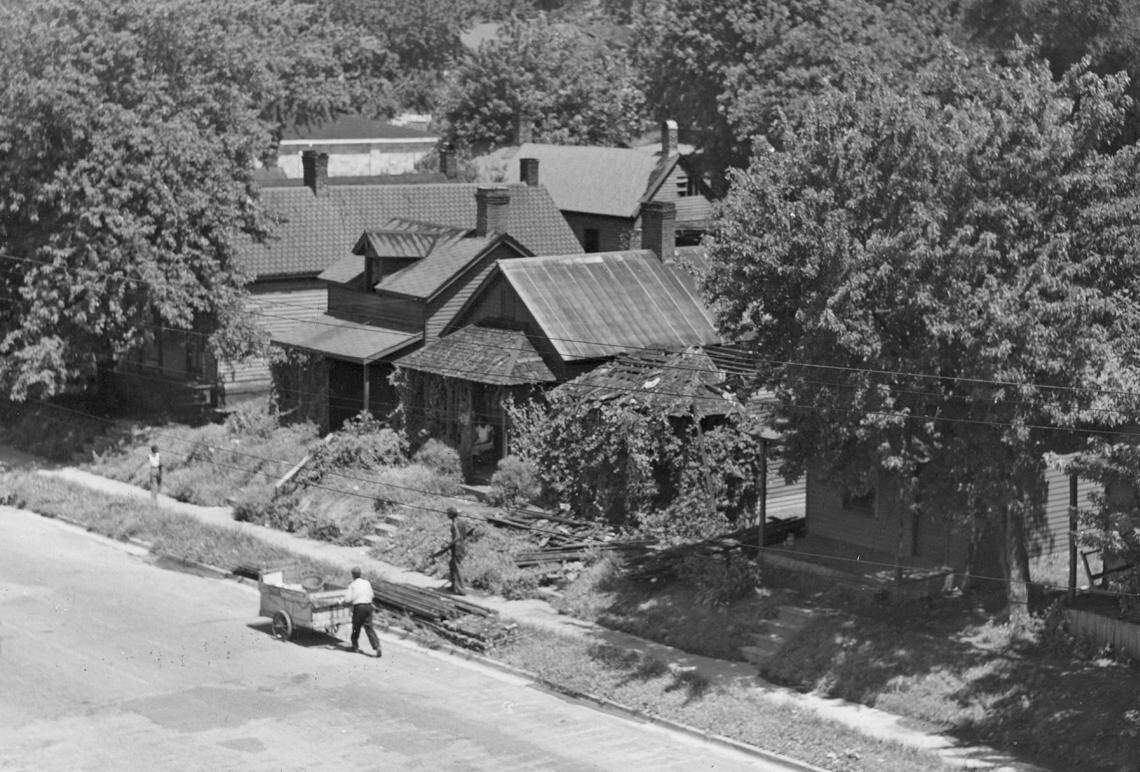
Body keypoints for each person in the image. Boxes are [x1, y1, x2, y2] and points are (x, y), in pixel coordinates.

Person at [344, 567, 382, 658]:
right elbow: (372, 595)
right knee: (369, 627)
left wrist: (343, 601)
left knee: (356, 627)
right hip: (368, 606)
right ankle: (377, 647)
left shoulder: (352, 585)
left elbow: (348, 599)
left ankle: (355, 646)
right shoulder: (367, 583)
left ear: (352, 575)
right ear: (360, 574)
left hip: (359, 607)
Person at [432, 507, 470, 595]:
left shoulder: (454, 523)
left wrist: (449, 545)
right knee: (452, 565)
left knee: (457, 567)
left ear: (451, 514)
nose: (447, 514)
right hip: (462, 545)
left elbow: (457, 536)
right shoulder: (461, 521)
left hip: (457, 547)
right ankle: (454, 586)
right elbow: (464, 535)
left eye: (448, 513)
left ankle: (461, 590)